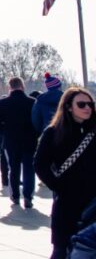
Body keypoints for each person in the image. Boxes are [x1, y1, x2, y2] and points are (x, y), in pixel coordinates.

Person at [35, 86, 96, 259]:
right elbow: (40, 164)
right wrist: (58, 186)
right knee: (61, 248)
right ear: (69, 107)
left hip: (93, 201)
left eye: (90, 104)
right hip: (67, 202)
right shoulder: (53, 133)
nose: (87, 108)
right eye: (82, 104)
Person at [0, 76, 39, 208]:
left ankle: (15, 196)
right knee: (29, 168)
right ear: (22, 86)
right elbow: (37, 121)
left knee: (14, 168)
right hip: (29, 140)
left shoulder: (3, 103)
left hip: (11, 140)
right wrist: (35, 134)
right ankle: (28, 195)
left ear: (10, 87)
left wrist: (4, 132)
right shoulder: (32, 102)